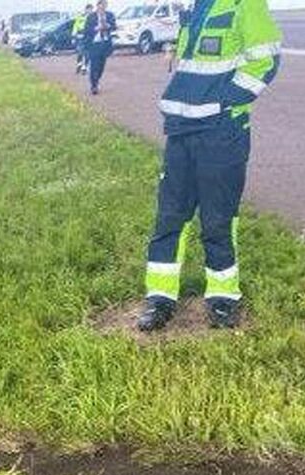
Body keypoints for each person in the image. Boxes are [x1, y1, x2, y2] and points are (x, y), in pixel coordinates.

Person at [137, 0, 282, 332]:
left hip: (222, 133)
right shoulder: (197, 6)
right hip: (181, 131)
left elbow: (266, 60)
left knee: (218, 219)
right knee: (169, 217)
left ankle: (222, 299)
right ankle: (160, 298)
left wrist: (224, 103)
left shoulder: (245, 4)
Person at [82, 0, 116, 94]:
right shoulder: (91, 16)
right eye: (101, 5)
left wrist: (107, 25)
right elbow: (86, 30)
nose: (103, 7)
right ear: (98, 5)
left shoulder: (110, 15)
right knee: (94, 66)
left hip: (105, 43)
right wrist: (96, 28)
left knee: (101, 66)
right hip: (94, 44)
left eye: (105, 5)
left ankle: (97, 79)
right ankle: (94, 85)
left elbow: (114, 26)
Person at [72, 4, 93, 74]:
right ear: (86, 9)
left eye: (91, 9)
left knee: (88, 53)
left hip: (89, 36)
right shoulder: (80, 16)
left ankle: (85, 67)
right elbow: (75, 26)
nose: (89, 11)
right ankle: (79, 64)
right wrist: (74, 35)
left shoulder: (93, 17)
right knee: (80, 51)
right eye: (88, 9)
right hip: (80, 35)